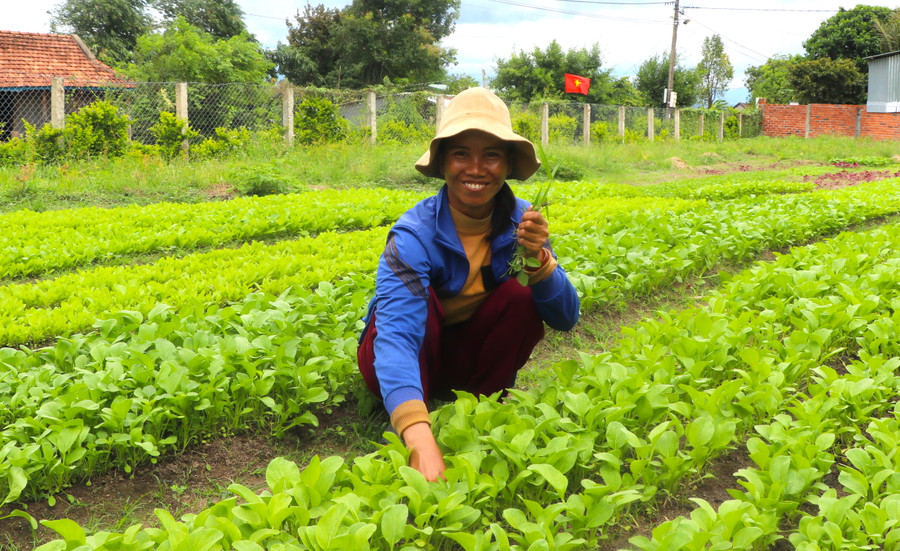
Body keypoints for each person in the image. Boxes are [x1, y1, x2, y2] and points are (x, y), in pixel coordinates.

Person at [357, 87, 580, 481]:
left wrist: (539, 260)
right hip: (412, 355)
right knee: (416, 301)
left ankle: (481, 404)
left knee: (520, 294)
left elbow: (566, 318)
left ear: (508, 163)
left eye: (491, 154)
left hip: (465, 358)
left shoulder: (524, 221)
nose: (476, 169)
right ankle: (412, 403)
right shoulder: (413, 235)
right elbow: (396, 338)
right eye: (461, 153)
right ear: (443, 162)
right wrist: (418, 437)